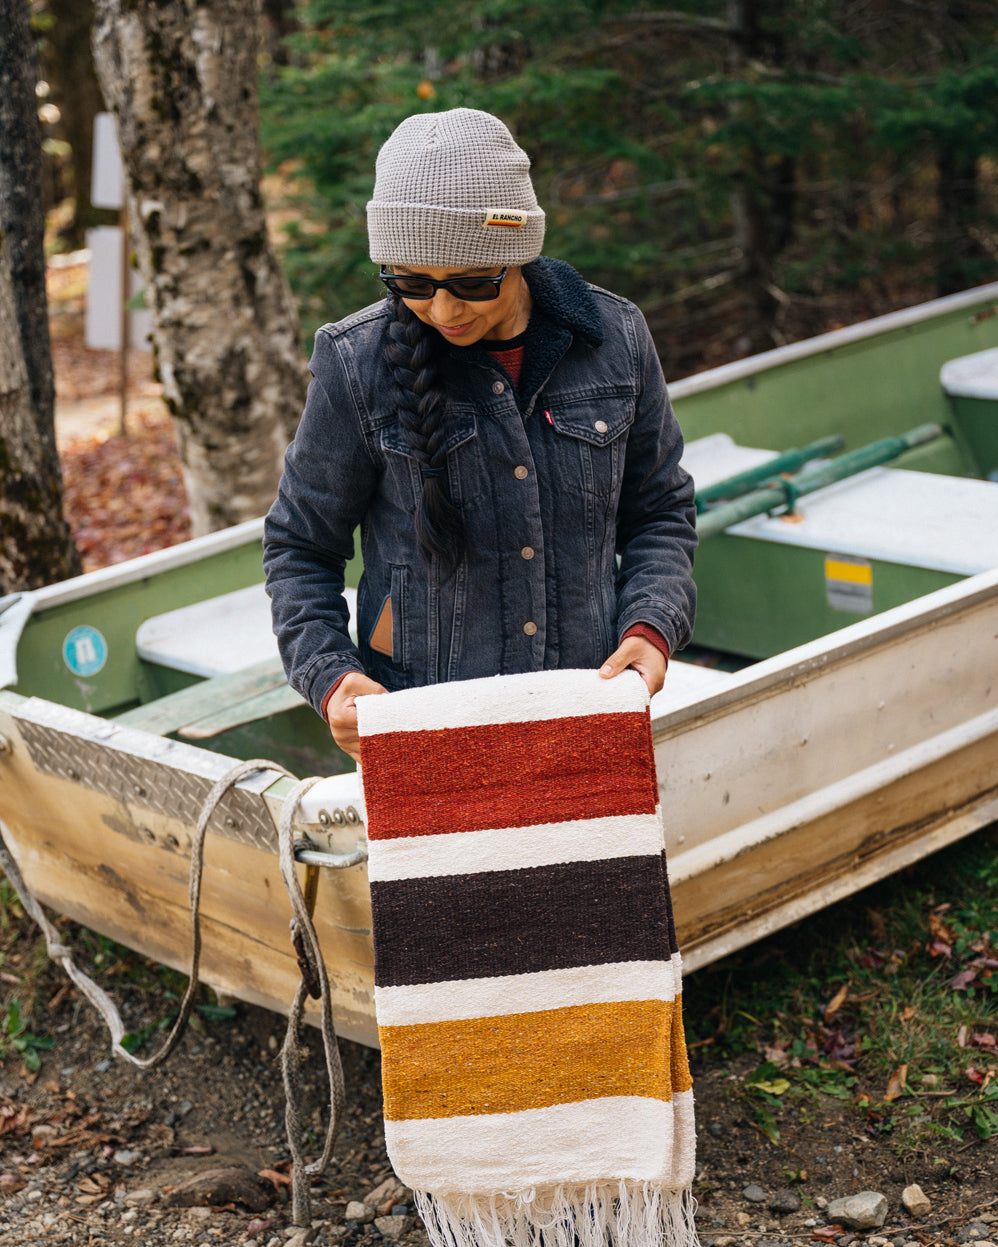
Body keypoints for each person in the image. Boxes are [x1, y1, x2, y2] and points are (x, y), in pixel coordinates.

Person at [263, 107, 697, 760]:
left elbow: (660, 511)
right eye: (411, 282)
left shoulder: (618, 341)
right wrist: (332, 675)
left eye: (471, 282)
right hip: (423, 731)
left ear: (517, 252)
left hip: (589, 712)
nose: (442, 310)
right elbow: (299, 546)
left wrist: (651, 625)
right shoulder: (355, 365)